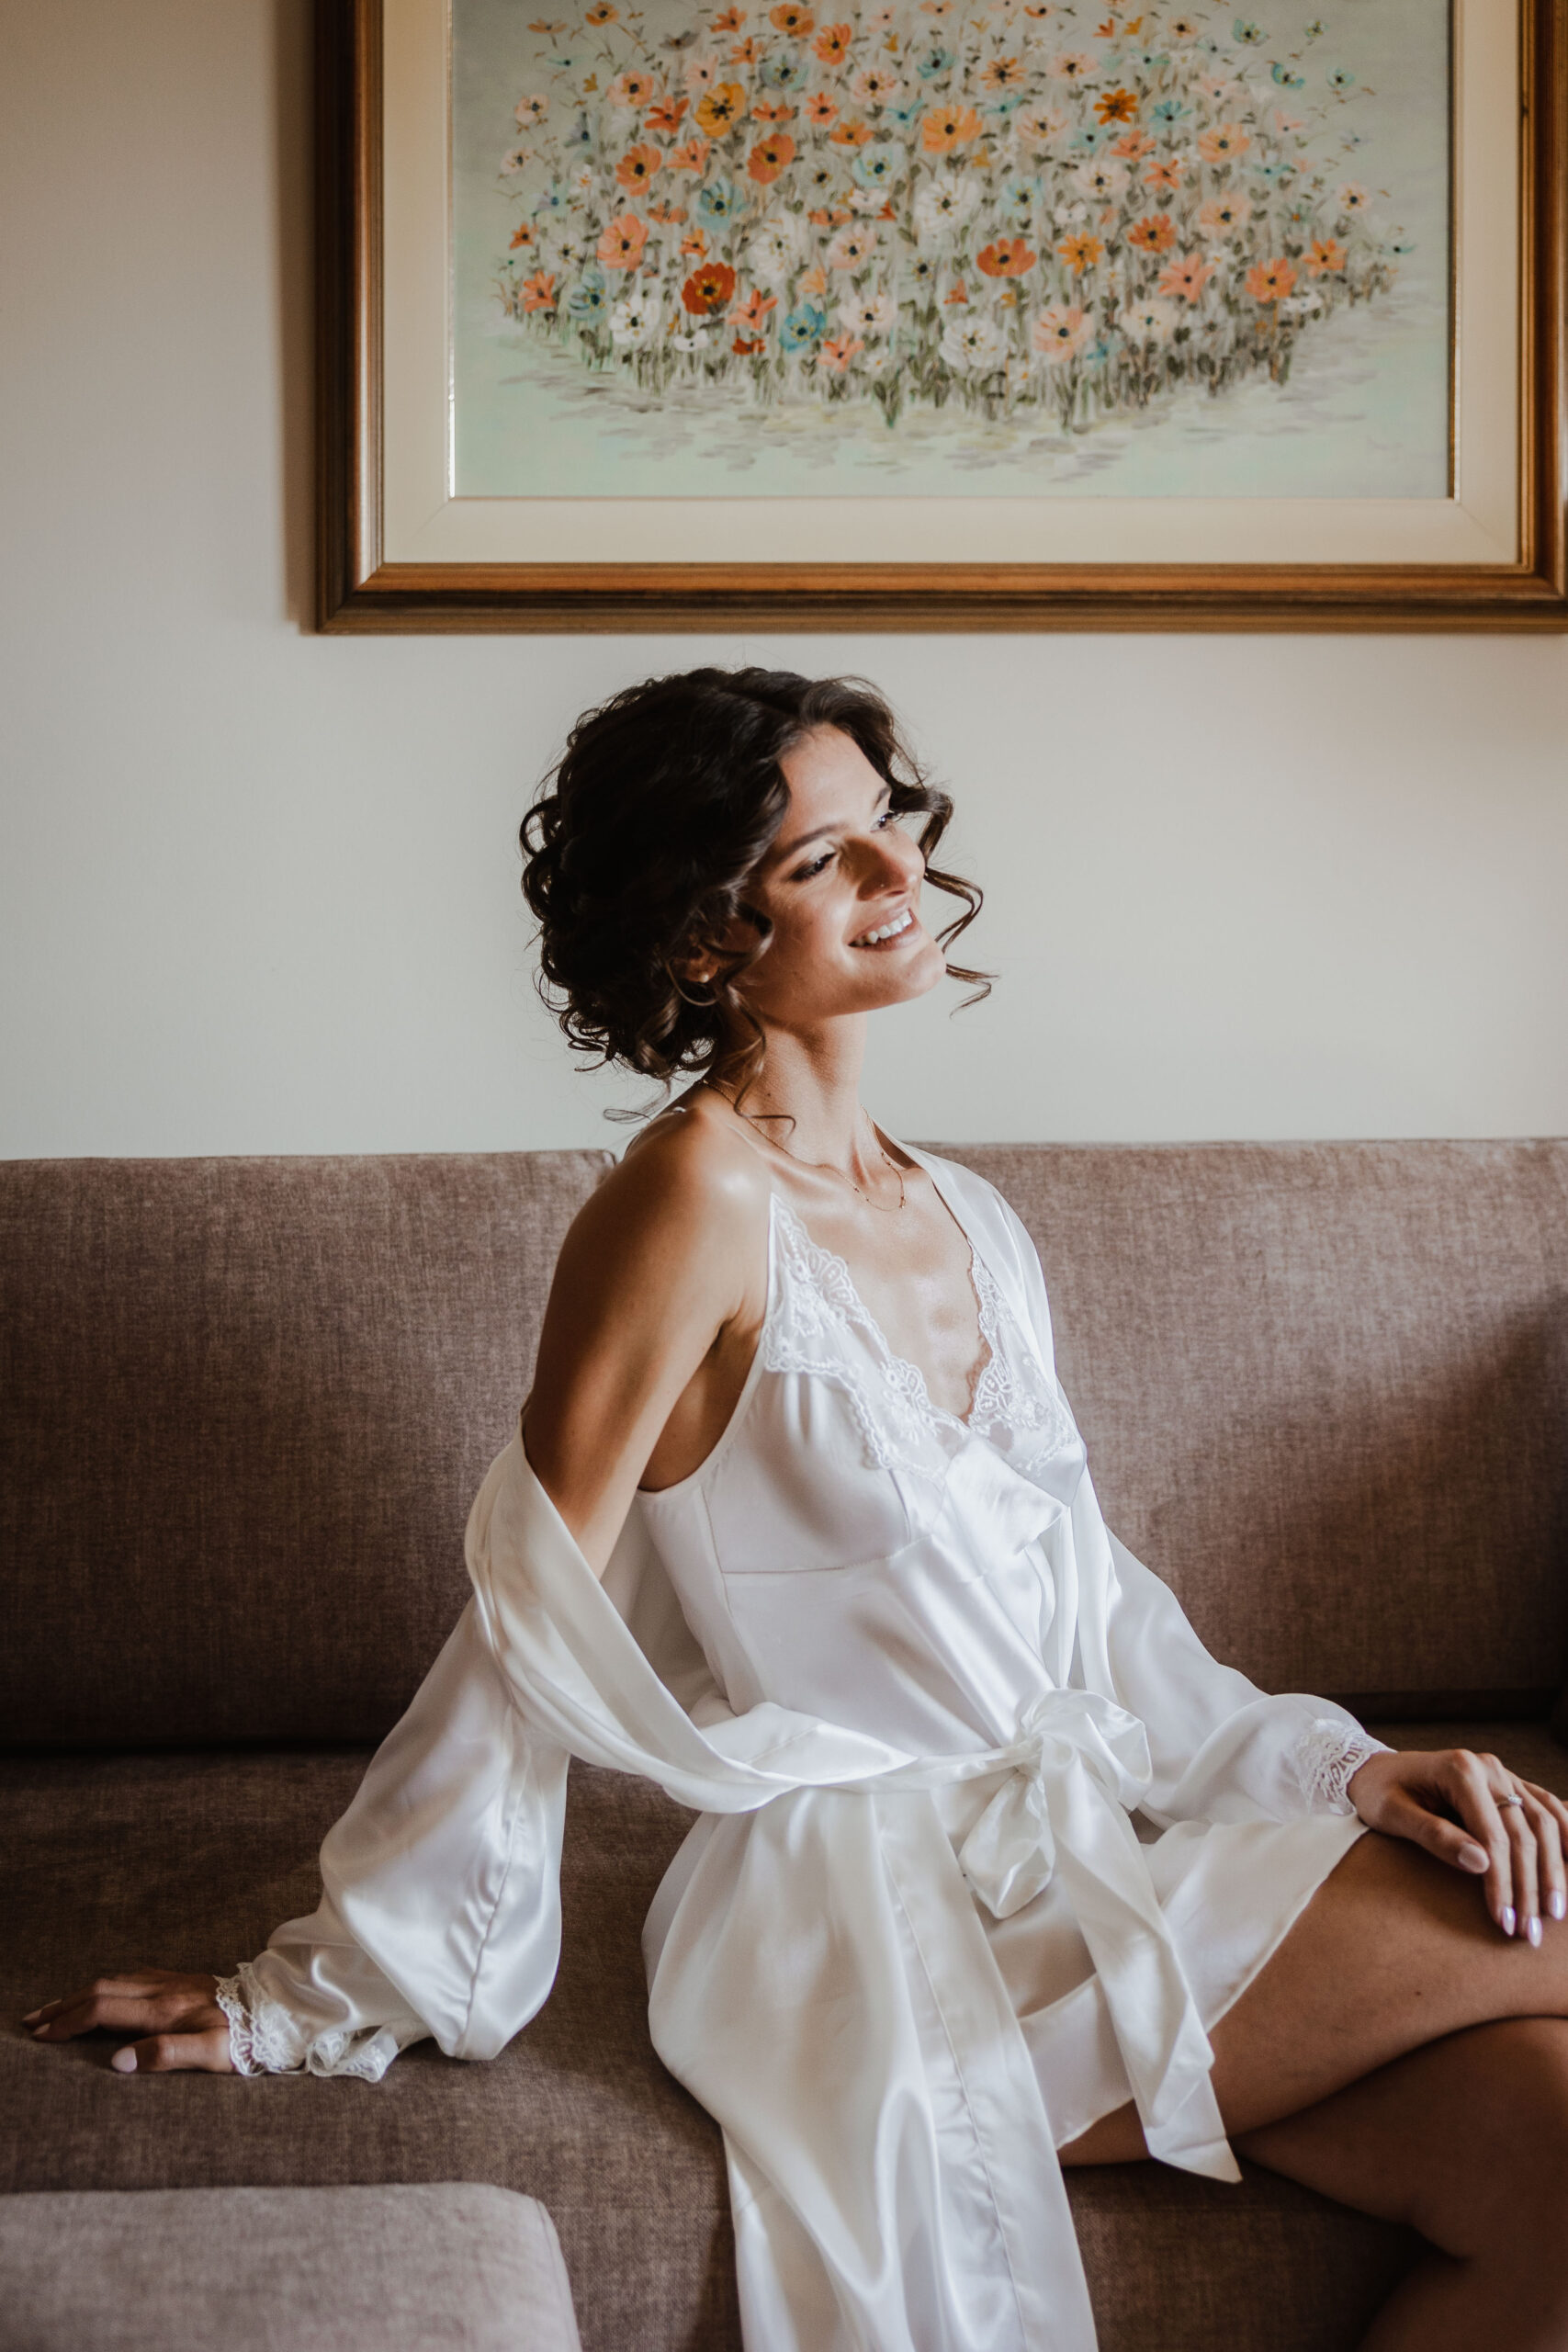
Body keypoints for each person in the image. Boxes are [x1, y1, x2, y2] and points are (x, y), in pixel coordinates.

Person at [28, 668, 1568, 2351]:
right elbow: (533, 1605)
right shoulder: (690, 1198)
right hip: (866, 1925)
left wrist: (1345, 1768)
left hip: (1078, 1856)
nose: (901, 873)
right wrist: (323, 1991)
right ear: (706, 940)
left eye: (888, 825)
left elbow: (1093, 1604)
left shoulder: (969, 1215)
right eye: (824, 860)